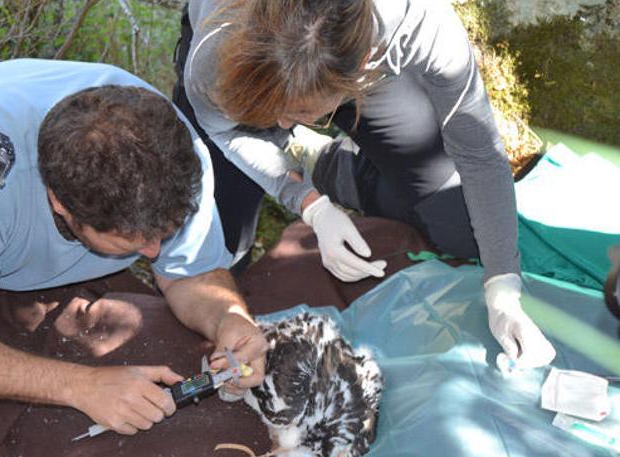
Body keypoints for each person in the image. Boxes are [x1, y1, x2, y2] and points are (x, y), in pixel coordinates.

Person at [172, 0, 556, 369]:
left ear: (365, 62)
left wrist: (503, 290)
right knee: (216, 257)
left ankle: (324, 163)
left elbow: (479, 155)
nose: (283, 125)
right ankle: (291, 163)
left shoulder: (419, 24)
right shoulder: (215, 54)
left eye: (302, 114)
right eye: (280, 114)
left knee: (462, 226)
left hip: (358, 73)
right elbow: (226, 133)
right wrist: (309, 204)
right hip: (244, 71)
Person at [0, 59, 267, 436]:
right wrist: (81, 385)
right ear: (60, 202)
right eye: (132, 240)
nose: (154, 253)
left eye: (164, 233)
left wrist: (229, 319)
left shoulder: (175, 156)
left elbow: (192, 273)